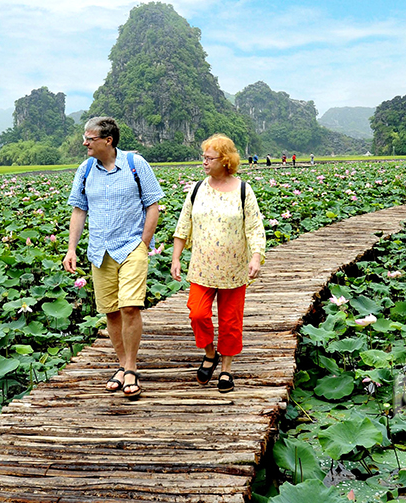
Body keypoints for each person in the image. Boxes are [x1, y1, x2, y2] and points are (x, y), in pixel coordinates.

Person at [64, 117, 165, 400]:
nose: (84, 143)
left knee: (129, 307)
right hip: (100, 250)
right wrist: (71, 249)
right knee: (110, 311)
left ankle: (131, 367)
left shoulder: (135, 164)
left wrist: (143, 244)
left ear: (108, 140)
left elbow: (153, 205)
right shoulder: (85, 169)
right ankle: (121, 365)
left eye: (90, 138)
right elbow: (79, 210)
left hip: (131, 247)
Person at [170, 134, 265, 394]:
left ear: (225, 160)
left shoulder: (243, 190)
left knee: (230, 321)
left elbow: (255, 228)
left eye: (209, 158)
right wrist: (176, 257)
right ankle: (210, 353)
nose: (204, 162)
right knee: (197, 314)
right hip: (202, 267)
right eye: (203, 157)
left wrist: (256, 256)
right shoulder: (197, 189)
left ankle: (226, 369)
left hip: (234, 268)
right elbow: (183, 225)